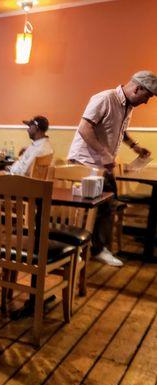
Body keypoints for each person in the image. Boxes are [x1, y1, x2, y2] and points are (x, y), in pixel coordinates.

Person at [67, 71, 155, 266]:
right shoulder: (105, 98)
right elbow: (84, 128)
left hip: (101, 164)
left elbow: (119, 130)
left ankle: (96, 248)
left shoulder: (127, 106)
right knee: (88, 209)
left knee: (107, 206)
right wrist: (104, 154)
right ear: (138, 88)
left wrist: (135, 147)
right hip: (85, 162)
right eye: (147, 96)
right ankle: (81, 249)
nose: (147, 102)